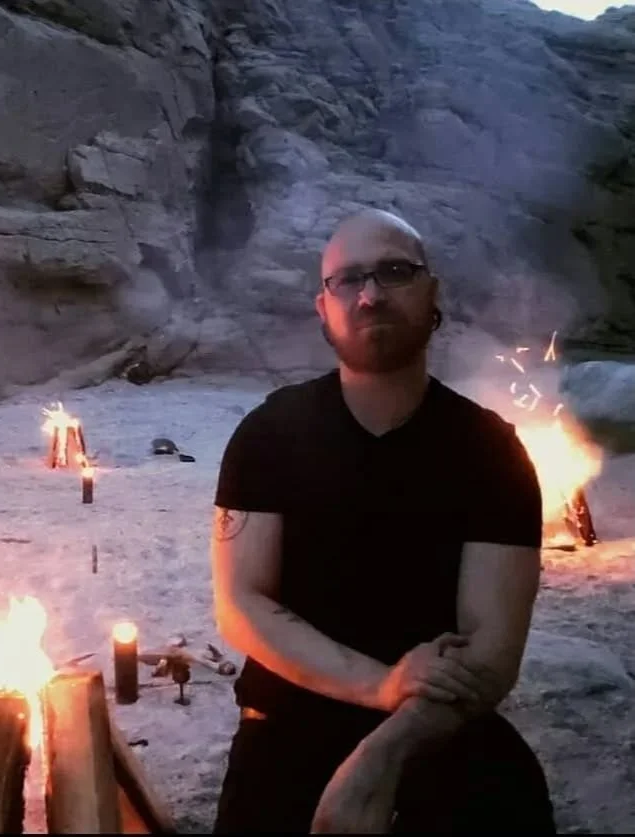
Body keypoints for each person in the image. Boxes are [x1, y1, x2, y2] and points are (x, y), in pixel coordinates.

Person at [210, 208, 555, 833]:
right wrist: (382, 685)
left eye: (394, 272)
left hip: (439, 724)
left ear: (432, 293)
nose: (370, 294)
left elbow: (493, 654)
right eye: (348, 280)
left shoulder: (491, 450)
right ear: (323, 307)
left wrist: (382, 753)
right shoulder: (268, 435)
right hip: (287, 727)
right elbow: (241, 603)